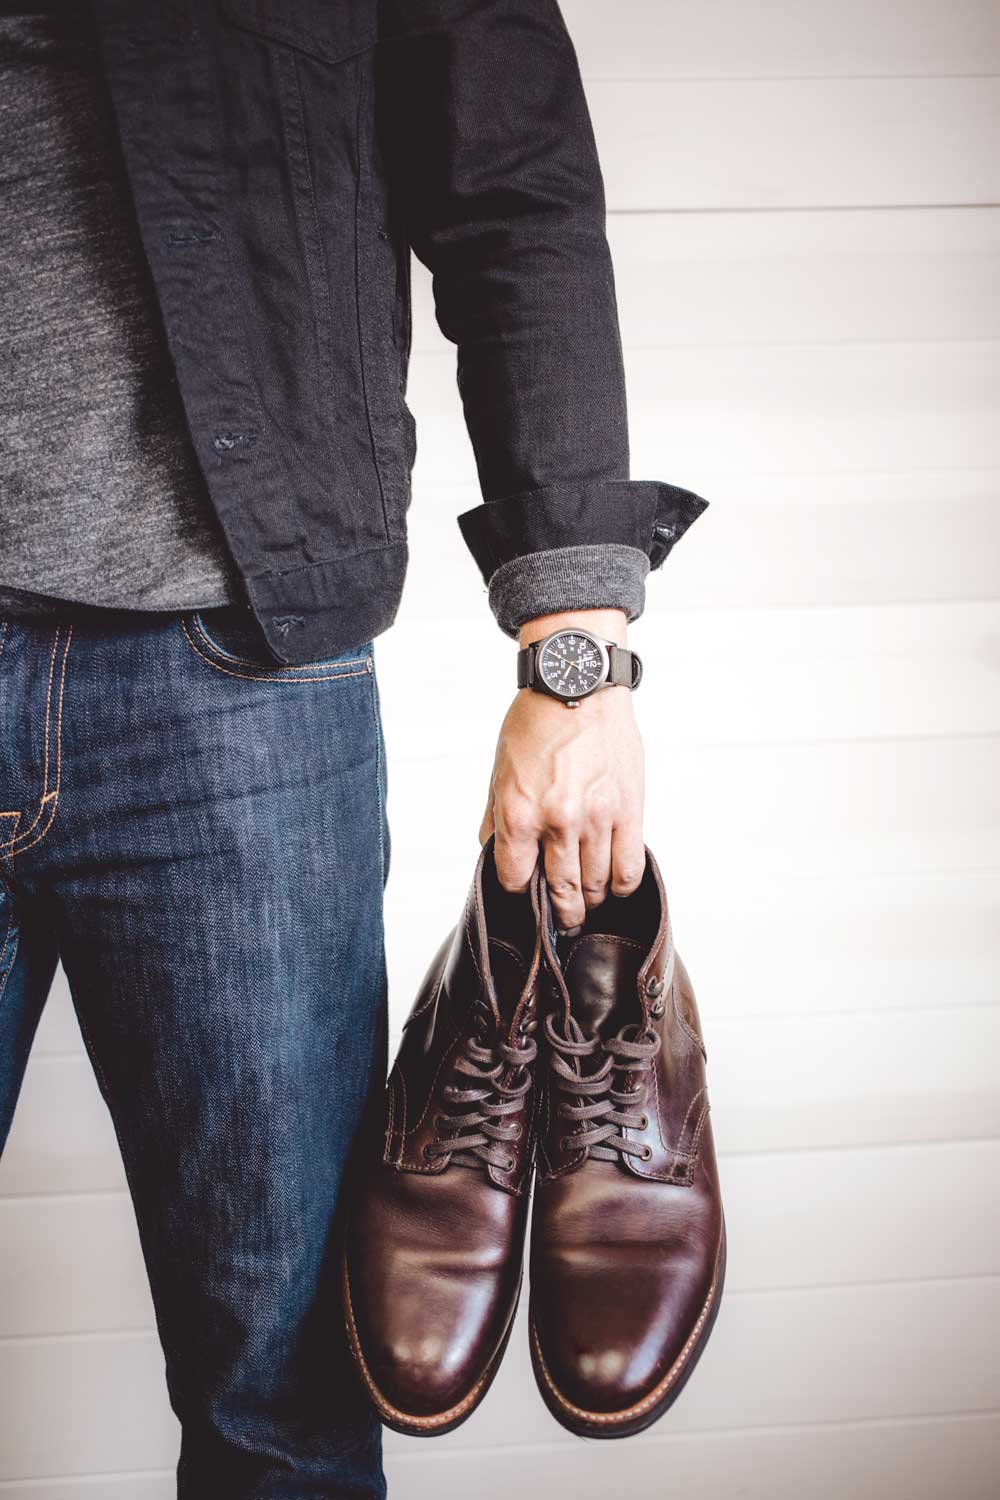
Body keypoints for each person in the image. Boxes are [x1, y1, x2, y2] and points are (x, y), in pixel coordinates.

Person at [0, 1, 706, 1494]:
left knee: (290, 1397)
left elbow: (511, 188)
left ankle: (564, 1043)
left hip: (235, 676)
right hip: (238, 683)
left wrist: (575, 661)